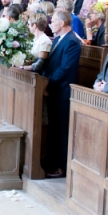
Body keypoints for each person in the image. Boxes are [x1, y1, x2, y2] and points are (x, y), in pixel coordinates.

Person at [40, 10, 82, 177]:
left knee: (62, 130)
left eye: (54, 22)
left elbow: (65, 68)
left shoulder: (72, 42)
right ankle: (51, 160)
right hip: (53, 90)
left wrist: (47, 83)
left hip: (62, 92)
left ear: (62, 23)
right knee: (54, 129)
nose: (51, 24)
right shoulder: (58, 39)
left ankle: (62, 166)